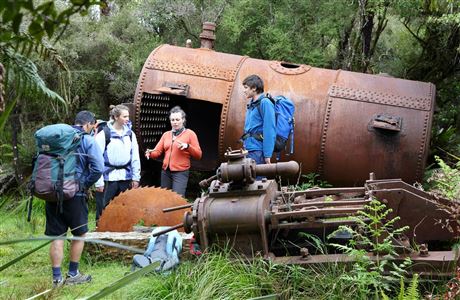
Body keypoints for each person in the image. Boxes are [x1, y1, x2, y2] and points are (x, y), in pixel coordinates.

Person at [46, 111, 104, 286]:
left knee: (57, 235)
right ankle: (73, 274)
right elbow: (98, 168)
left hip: (53, 192)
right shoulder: (87, 140)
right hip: (76, 193)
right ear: (89, 124)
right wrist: (84, 184)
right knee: (79, 234)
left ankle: (56, 278)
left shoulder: (57, 138)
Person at [145, 106, 202, 197]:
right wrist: (150, 153)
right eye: (172, 120)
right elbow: (157, 152)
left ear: (183, 120)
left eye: (177, 119)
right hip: (165, 172)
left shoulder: (190, 134)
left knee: (177, 199)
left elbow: (199, 155)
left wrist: (187, 146)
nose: (175, 122)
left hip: (180, 172)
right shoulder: (166, 135)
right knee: (165, 198)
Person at [94, 105, 141, 212]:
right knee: (104, 210)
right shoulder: (104, 134)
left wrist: (135, 177)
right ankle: (101, 228)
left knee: (125, 208)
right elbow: (97, 159)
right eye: (124, 117)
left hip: (125, 177)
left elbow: (135, 157)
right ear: (116, 117)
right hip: (108, 178)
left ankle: (125, 229)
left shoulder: (130, 134)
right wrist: (99, 182)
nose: (127, 119)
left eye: (128, 116)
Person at [241, 74, 276, 164]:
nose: (244, 91)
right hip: (248, 149)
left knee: (257, 178)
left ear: (254, 88)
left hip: (258, 151)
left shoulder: (265, 103)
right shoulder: (252, 104)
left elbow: (270, 129)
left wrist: (267, 155)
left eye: (246, 87)